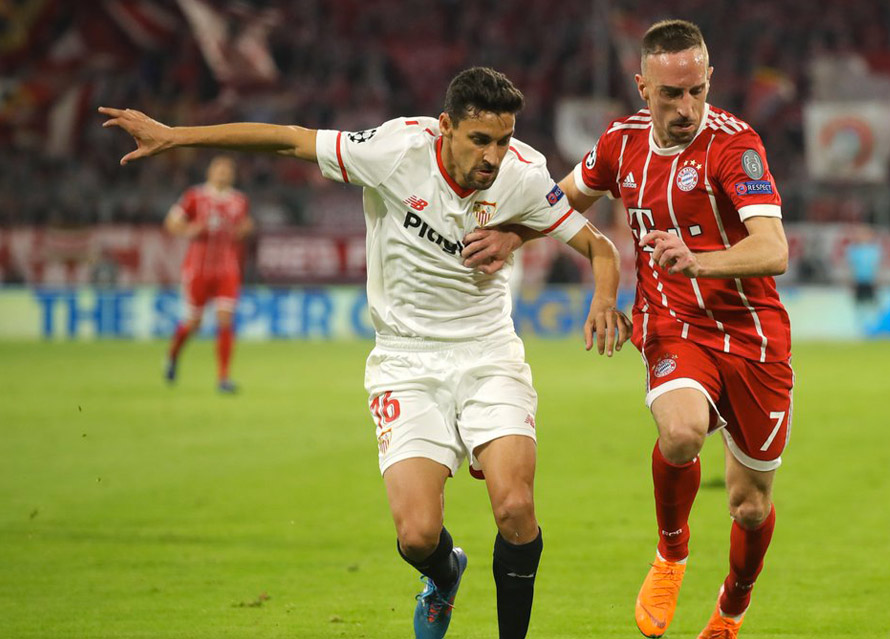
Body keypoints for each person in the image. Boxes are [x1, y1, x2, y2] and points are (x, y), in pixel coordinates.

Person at [99, 66, 631, 639]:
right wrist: (176, 136)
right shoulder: (394, 150)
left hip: (488, 354)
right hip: (405, 360)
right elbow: (290, 139)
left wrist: (603, 298)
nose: (493, 156)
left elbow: (599, 246)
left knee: (515, 508)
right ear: (445, 127)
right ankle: (444, 576)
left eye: (503, 140)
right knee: (418, 536)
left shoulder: (523, 174)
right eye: (480, 140)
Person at [462, 20, 792, 639]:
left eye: (696, 90)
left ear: (709, 79)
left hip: (752, 335)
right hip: (674, 324)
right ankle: (671, 553)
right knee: (681, 433)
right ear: (643, 87)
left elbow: (773, 249)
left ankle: (732, 607)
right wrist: (512, 234)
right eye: (671, 94)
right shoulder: (620, 142)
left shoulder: (734, 146)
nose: (686, 107)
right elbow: (561, 200)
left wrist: (700, 261)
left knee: (749, 505)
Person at [163, 155, 253, 393]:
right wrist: (190, 229)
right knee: (194, 323)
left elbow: (245, 226)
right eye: (219, 169)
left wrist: (245, 229)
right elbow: (171, 222)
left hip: (227, 269)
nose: (223, 173)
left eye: (227, 170)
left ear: (233, 175)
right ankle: (172, 355)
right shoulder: (195, 196)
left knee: (225, 319)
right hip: (198, 269)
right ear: (210, 172)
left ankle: (223, 378)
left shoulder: (239, 200)